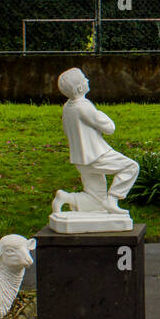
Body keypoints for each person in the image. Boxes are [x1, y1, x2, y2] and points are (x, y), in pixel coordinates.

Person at [58, 68, 138, 214]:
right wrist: (100, 114)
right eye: (84, 79)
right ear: (80, 87)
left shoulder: (67, 107)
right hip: (95, 156)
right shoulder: (83, 106)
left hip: (80, 159)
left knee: (96, 199)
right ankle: (112, 200)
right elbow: (109, 128)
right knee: (131, 167)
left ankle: (67, 198)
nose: (87, 80)